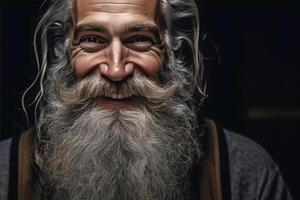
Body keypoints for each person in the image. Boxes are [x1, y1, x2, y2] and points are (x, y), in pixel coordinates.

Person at [0, 0, 293, 199]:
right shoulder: (6, 173)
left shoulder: (244, 173)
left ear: (172, 52)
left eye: (139, 39)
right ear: (63, 51)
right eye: (92, 39)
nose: (116, 70)